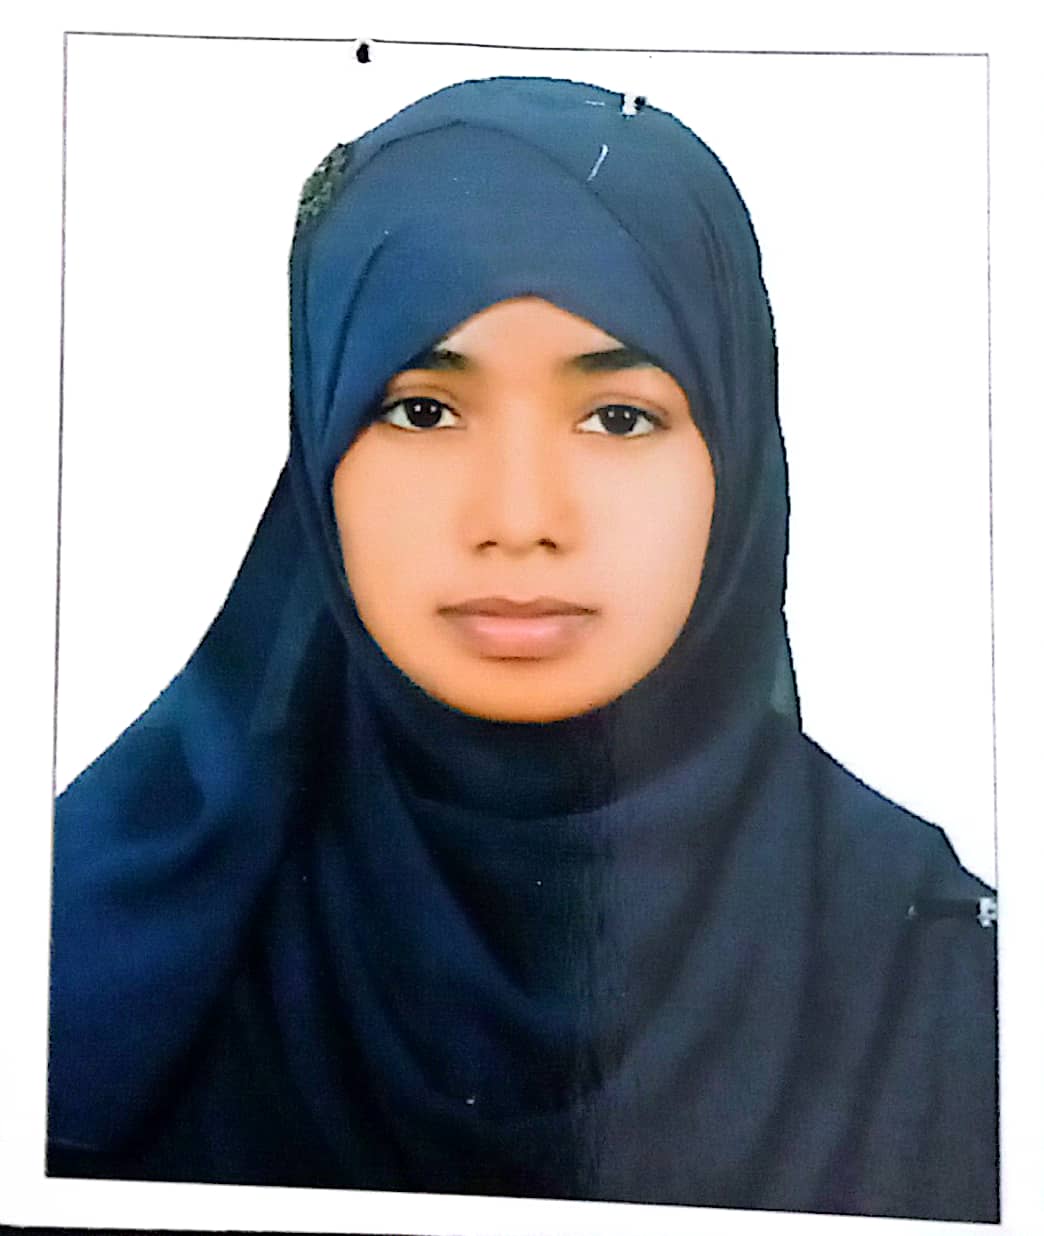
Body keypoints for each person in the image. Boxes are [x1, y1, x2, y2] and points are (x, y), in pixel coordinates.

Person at [47, 75, 998, 1221]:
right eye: (423, 411)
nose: (519, 517)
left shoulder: (948, 977)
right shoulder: (76, 960)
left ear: (737, 455)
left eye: (618, 417)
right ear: (318, 443)